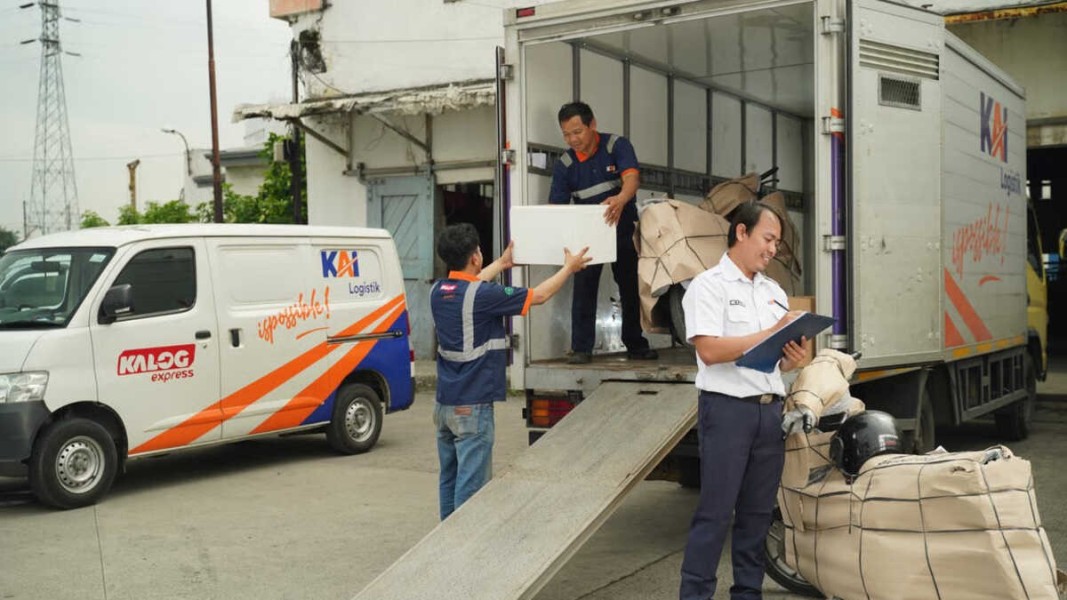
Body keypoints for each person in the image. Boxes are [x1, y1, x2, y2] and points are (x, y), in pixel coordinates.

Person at [678, 202, 811, 600]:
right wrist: (770, 332)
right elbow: (709, 351)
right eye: (768, 239)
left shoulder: (773, 293)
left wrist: (792, 358)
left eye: (776, 243)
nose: (772, 250)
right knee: (715, 514)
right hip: (727, 411)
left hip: (770, 412)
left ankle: (747, 594)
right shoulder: (708, 285)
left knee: (755, 515)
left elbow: (776, 357)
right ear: (741, 232)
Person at [430, 223, 591, 520]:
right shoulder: (483, 295)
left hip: (444, 405)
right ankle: (466, 549)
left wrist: (502, 264)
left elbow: (472, 283)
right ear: (475, 257)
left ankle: (446, 543)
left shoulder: (439, 291)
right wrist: (569, 268)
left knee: (449, 479)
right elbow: (539, 296)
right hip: (472, 406)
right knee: (471, 488)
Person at [549, 101, 657, 365]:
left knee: (630, 285)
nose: (572, 139)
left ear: (592, 125)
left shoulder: (616, 146)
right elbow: (556, 207)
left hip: (622, 223)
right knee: (584, 287)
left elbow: (632, 179)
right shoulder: (565, 164)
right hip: (588, 232)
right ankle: (581, 348)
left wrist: (620, 200)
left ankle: (635, 343)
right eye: (566, 134)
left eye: (577, 132)